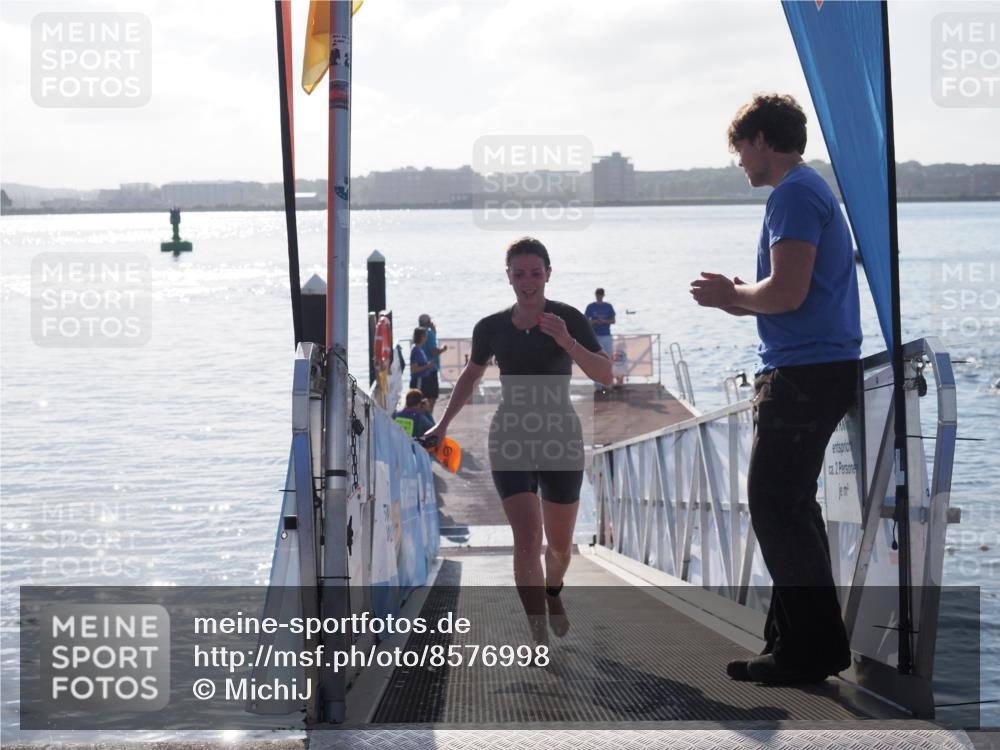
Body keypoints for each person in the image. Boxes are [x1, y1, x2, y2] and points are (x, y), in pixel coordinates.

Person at [689, 93, 862, 685]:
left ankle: (812, 649)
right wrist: (740, 296)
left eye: (739, 147)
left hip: (804, 375)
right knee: (790, 508)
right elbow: (788, 294)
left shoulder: (793, 194)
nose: (739, 160)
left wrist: (730, 296)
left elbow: (785, 294)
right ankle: (791, 643)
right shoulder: (808, 192)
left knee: (774, 506)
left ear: (761, 139)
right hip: (814, 368)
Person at [424, 237, 612, 643]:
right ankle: (537, 633)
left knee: (559, 549)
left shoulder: (569, 319)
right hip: (510, 435)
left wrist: (568, 342)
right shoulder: (490, 327)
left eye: (535, 273)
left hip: (560, 437)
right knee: (527, 538)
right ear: (508, 276)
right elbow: (470, 377)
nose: (528, 282)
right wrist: (442, 425)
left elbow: (606, 375)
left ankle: (553, 590)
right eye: (519, 273)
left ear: (548, 274)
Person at [584, 289, 616, 391]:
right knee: (595, 359)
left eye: (600, 295)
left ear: (603, 295)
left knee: (608, 358)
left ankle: (608, 383)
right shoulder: (590, 306)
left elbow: (613, 320)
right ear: (595, 295)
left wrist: (605, 321)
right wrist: (594, 321)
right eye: (598, 295)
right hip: (594, 335)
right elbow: (585, 320)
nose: (599, 297)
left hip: (606, 335)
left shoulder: (608, 306)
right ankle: (597, 384)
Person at [417, 313, 448, 414]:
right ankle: (428, 417)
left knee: (424, 396)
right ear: (428, 323)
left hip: (422, 371)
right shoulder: (429, 334)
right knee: (432, 396)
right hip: (430, 369)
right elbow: (433, 351)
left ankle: (425, 416)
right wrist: (443, 349)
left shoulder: (418, 334)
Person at [409, 327, 434, 395]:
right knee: (417, 401)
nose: (426, 338)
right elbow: (414, 369)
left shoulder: (420, 349)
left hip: (423, 380)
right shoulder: (416, 350)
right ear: (422, 337)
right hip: (418, 380)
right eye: (425, 336)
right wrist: (428, 366)